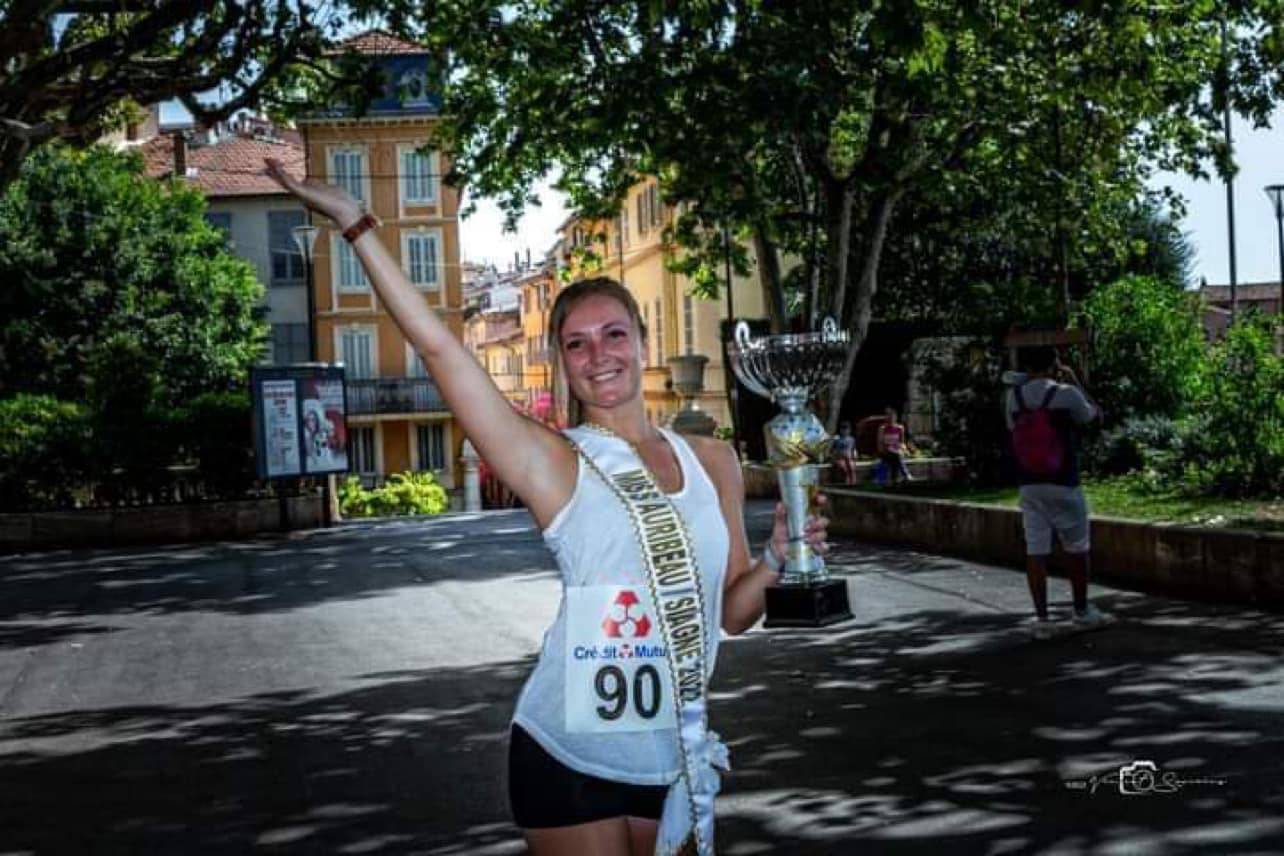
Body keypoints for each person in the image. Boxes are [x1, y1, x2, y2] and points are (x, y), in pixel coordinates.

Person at [266, 160, 829, 856]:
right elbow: (441, 348)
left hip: (673, 753)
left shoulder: (711, 461)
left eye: (615, 334)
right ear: (562, 364)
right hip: (568, 750)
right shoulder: (554, 462)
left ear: (644, 342)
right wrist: (356, 224)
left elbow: (732, 616)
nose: (599, 354)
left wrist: (779, 556)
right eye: (577, 343)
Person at [1004, 346, 1109, 640]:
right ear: (1055, 365)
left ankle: (1041, 617)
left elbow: (1012, 429)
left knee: (1035, 550)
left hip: (1029, 483)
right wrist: (1075, 381)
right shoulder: (1066, 393)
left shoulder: (1015, 396)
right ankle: (1081, 610)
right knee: (1077, 548)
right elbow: (1093, 417)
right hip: (1064, 480)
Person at [876, 407, 912, 484]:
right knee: (896, 457)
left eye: (892, 416)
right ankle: (906, 475)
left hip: (896, 450)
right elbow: (880, 442)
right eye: (888, 416)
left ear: (895, 417)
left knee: (896, 457)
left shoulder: (900, 428)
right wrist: (882, 451)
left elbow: (902, 442)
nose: (891, 418)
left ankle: (894, 479)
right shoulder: (882, 428)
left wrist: (904, 449)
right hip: (886, 451)